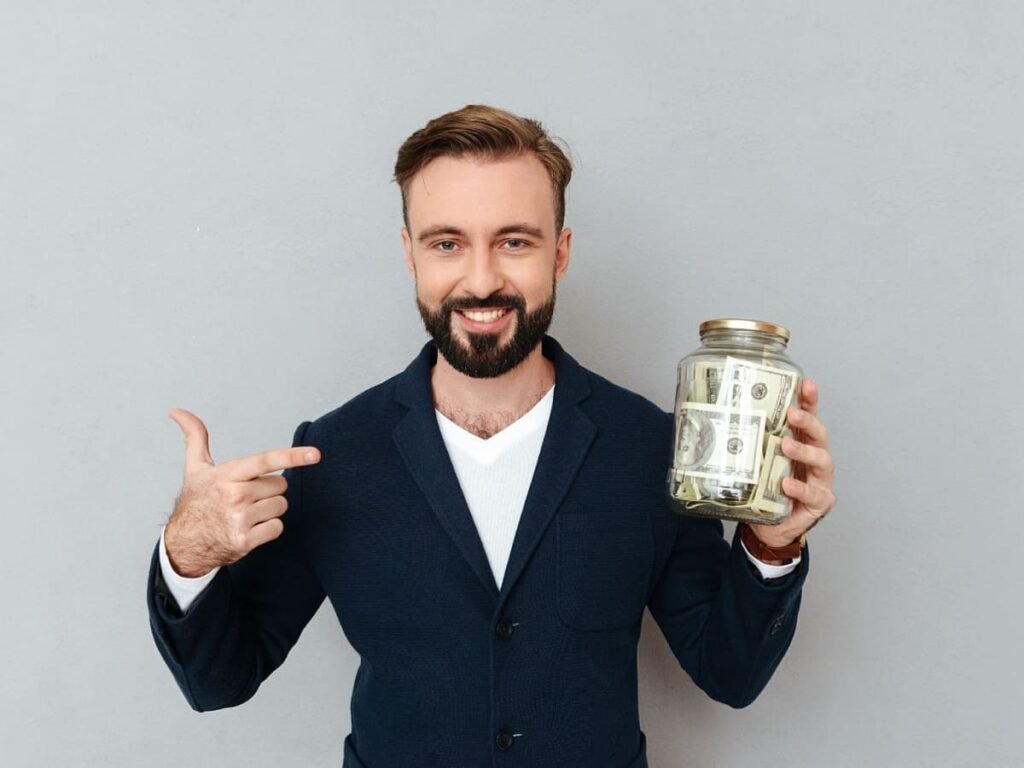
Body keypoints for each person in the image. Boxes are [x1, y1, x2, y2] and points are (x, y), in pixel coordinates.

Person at [147, 104, 836, 768]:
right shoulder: (333, 455)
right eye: (447, 243)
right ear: (411, 254)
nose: (481, 279)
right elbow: (220, 679)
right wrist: (188, 553)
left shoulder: (648, 446)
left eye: (514, 241)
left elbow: (729, 671)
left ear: (559, 254)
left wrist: (773, 544)